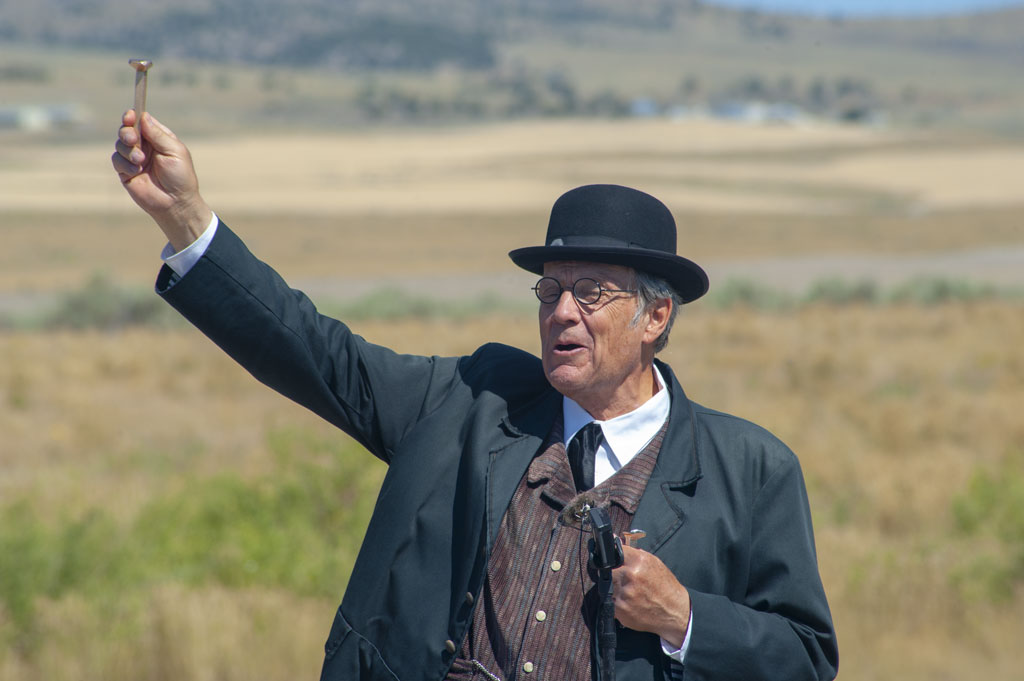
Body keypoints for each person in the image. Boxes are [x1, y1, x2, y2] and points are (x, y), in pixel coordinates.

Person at [112, 109, 838, 681]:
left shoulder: (751, 469)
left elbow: (805, 657)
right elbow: (318, 353)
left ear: (657, 315)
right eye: (549, 290)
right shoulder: (470, 401)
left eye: (590, 293)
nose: (560, 312)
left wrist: (685, 620)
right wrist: (184, 219)